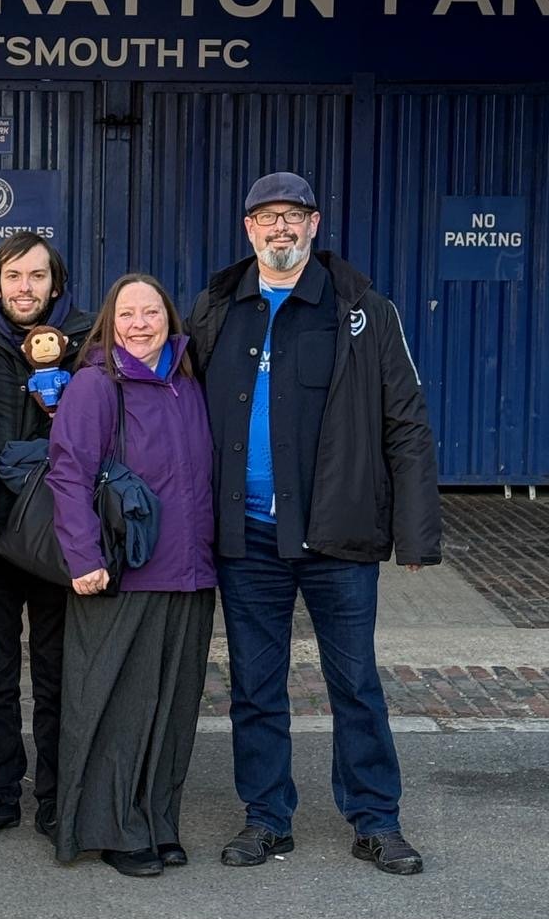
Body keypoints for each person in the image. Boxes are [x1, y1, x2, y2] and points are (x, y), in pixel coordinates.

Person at [187, 172, 442, 876]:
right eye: (267, 216)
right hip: (247, 536)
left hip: (338, 532)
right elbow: (172, 402)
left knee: (355, 682)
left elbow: (406, 421)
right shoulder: (216, 307)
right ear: (249, 229)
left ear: (314, 224)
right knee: (254, 687)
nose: (281, 228)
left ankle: (376, 819)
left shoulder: (363, 310)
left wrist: (416, 531)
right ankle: (266, 817)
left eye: (293, 215)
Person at [46, 274, 216, 877]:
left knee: (172, 711)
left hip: (191, 575)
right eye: (127, 314)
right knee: (120, 710)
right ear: (110, 323)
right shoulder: (96, 384)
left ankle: (157, 823)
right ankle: (113, 830)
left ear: (169, 318)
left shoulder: (188, 383)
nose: (140, 324)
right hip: (124, 572)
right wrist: (83, 556)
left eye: (151, 312)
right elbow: (67, 472)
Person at [0, 233, 93, 842]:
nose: (25, 288)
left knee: (57, 671)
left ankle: (55, 796)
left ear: (55, 284)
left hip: (59, 530)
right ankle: (0, 792)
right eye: (13, 276)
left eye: (37, 276)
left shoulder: (89, 339)